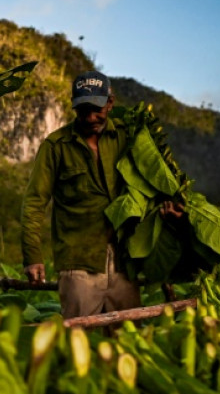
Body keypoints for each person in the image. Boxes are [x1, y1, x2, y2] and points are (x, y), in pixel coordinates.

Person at [21, 70, 181, 320]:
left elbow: (151, 184)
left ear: (110, 102)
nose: (91, 117)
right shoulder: (55, 146)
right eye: (83, 110)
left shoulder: (129, 137)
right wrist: (32, 257)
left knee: (127, 340)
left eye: (97, 108)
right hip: (78, 262)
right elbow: (34, 202)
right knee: (79, 342)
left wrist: (169, 208)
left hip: (124, 261)